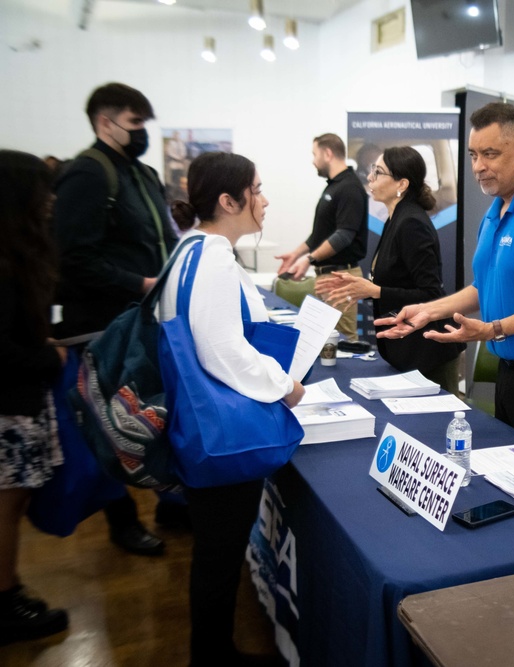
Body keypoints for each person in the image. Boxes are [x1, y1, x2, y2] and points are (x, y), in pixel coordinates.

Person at [375, 103, 514, 469]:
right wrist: (429, 310)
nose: (479, 166)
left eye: (490, 154)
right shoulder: (496, 210)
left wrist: (492, 329)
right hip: (513, 372)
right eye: (474, 155)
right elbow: (485, 287)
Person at [164, 151, 304, 666]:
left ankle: (213, 650)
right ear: (229, 200)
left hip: (196, 421)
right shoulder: (215, 256)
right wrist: (283, 384)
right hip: (222, 431)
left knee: (215, 556)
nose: (265, 201)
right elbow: (220, 349)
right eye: (257, 189)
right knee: (218, 557)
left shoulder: (189, 250)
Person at [52, 82, 177, 556]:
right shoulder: (87, 174)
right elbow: (74, 256)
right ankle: (121, 520)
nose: (142, 132)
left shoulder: (142, 174)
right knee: (110, 423)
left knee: (157, 412)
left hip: (146, 320)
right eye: (134, 123)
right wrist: (139, 283)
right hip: (105, 326)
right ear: (105, 123)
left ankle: (169, 502)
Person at [316, 147, 464, 393]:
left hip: (428, 352)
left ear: (402, 183)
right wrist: (362, 287)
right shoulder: (395, 217)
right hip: (406, 348)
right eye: (372, 171)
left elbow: (430, 294)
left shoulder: (411, 223)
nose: (370, 178)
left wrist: (375, 291)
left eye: (379, 172)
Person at [0, 150, 69, 644]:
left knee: (13, 503)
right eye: (43, 191)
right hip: (9, 402)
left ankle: (8, 587)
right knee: (5, 506)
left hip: (21, 397)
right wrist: (48, 358)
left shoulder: (16, 255)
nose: (51, 201)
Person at [275, 133, 368, 341]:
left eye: (314, 154)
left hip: (340, 278)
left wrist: (308, 259)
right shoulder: (334, 186)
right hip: (327, 276)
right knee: (323, 339)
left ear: (328, 153)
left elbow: (343, 236)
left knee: (343, 340)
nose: (313, 160)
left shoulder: (349, 188)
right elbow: (321, 235)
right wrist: (296, 254)